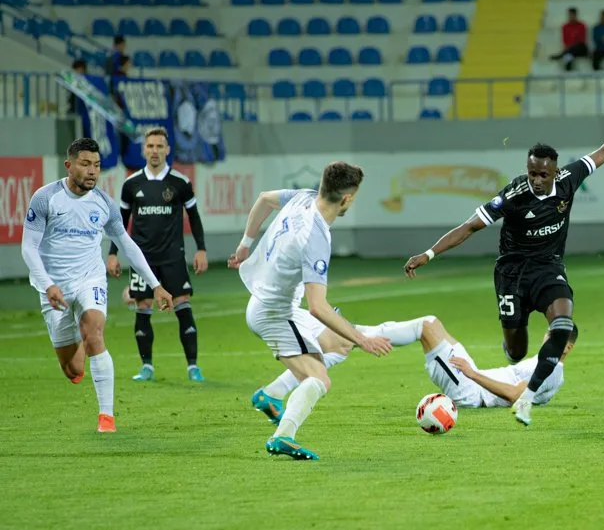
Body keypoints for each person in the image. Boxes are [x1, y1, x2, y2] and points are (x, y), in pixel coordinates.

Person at [403, 102, 604, 426]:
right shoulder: (513, 195)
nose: (536, 179)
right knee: (516, 352)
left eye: (542, 174)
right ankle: (512, 354)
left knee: (562, 323)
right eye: (532, 172)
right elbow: (469, 227)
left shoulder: (570, 180)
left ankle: (526, 399)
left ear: (556, 172)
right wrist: (429, 254)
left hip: (548, 269)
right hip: (511, 275)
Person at [227, 162, 393, 460]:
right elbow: (318, 307)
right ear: (347, 199)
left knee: (338, 343)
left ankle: (270, 396)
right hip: (274, 315)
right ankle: (283, 437)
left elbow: (264, 198)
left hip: (272, 303)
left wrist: (244, 245)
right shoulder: (316, 237)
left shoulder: (304, 196)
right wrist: (363, 339)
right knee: (319, 377)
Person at [20, 138, 172, 433]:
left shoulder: (104, 203)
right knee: (73, 369)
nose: (92, 171)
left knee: (94, 331)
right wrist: (48, 284)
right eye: (85, 164)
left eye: (97, 165)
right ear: (69, 165)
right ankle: (78, 334)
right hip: (53, 290)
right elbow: (28, 248)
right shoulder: (45, 198)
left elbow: (126, 244)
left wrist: (156, 285)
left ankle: (107, 417)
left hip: (90, 278)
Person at [252, 315, 574, 425]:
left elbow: (518, 396)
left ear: (567, 347)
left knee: (425, 328)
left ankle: (352, 336)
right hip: (474, 376)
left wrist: (472, 374)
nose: (548, 340)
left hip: (471, 390)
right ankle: (349, 337)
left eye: (555, 339)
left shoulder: (551, 372)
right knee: (433, 322)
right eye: (548, 335)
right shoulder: (546, 364)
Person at [106, 127, 209, 382]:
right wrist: (112, 254)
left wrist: (201, 249)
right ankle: (147, 367)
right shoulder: (132, 185)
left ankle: (193, 367)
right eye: (150, 146)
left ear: (167, 149)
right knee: (143, 306)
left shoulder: (180, 183)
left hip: (174, 256)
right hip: (143, 259)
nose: (154, 151)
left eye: (159, 146)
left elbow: (194, 217)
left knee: (182, 304)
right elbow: (121, 222)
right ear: (143, 150)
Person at [549, 7, 588, 71]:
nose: (571, 17)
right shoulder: (565, 26)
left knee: (573, 50)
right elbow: (565, 40)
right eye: (570, 15)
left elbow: (581, 40)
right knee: (570, 53)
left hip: (580, 49)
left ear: (575, 15)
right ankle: (567, 64)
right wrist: (569, 46)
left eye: (572, 15)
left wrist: (570, 46)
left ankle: (561, 55)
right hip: (570, 50)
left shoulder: (581, 25)